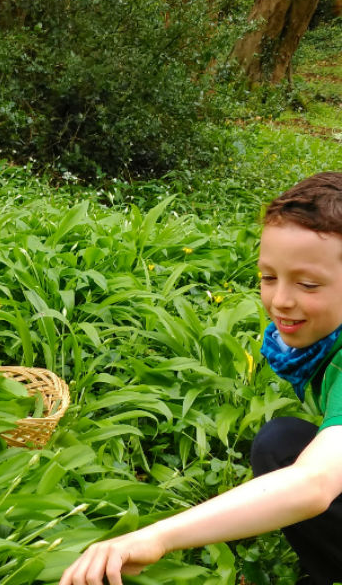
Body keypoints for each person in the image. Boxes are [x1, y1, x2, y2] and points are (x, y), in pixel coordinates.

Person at [60, 172, 342, 585]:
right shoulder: (321, 344)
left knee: (286, 452)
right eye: (268, 277)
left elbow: (315, 483)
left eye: (308, 284)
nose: (280, 300)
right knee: (281, 443)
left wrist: (157, 537)